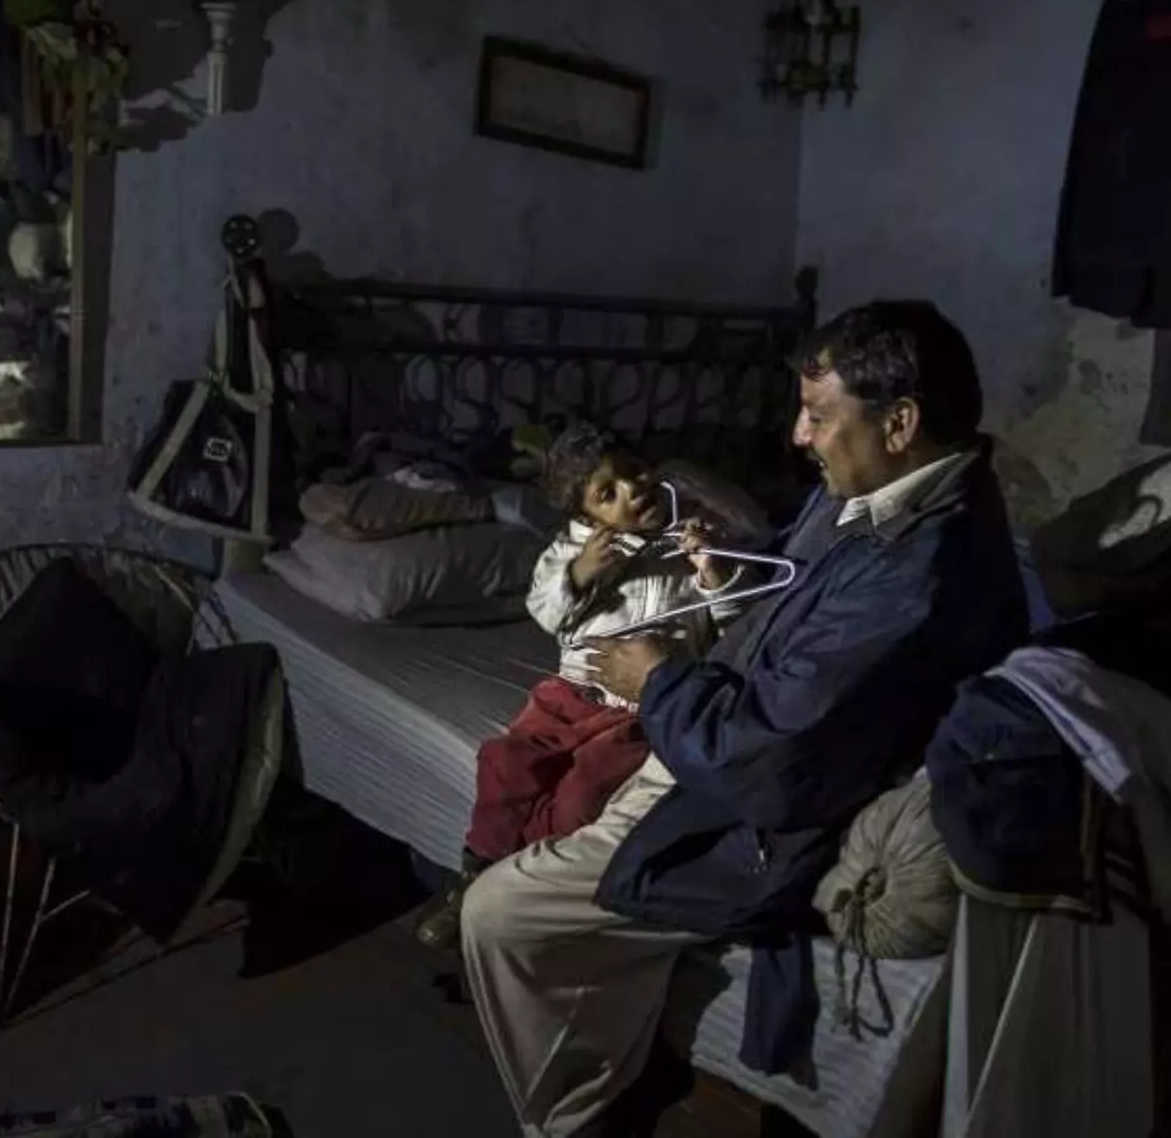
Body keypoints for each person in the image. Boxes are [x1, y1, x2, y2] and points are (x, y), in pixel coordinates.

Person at [457, 301, 1031, 1137]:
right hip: (703, 737)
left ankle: (577, 1120)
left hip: (746, 797)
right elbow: (789, 618)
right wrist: (729, 590)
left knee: (499, 915)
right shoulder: (875, 498)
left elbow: (767, 759)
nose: (800, 437)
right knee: (541, 774)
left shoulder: (919, 571)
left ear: (900, 422)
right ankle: (622, 1051)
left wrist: (657, 683)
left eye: (819, 416)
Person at [417, 421, 744, 951]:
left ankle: (516, 885)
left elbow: (731, 624)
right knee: (504, 761)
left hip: (638, 710)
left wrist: (712, 574)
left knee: (583, 794)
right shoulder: (569, 553)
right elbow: (544, 611)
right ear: (584, 515)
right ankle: (475, 873)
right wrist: (580, 573)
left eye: (635, 472)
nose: (633, 490)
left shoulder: (690, 541)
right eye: (607, 493)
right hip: (568, 696)